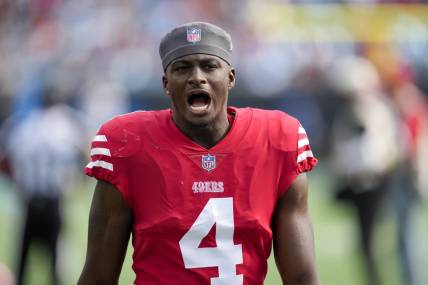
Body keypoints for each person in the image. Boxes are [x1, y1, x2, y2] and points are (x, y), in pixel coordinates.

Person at [78, 22, 320, 285]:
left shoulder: (277, 140)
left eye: (209, 66)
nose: (197, 77)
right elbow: (98, 277)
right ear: (166, 83)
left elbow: (302, 276)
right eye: (182, 68)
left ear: (230, 77)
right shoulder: (128, 144)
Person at [1, 88, 83, 285]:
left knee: (22, 262)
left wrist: (19, 183)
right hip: (53, 201)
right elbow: (82, 156)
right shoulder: (64, 126)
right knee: (56, 264)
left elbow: (5, 159)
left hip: (29, 201)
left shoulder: (24, 125)